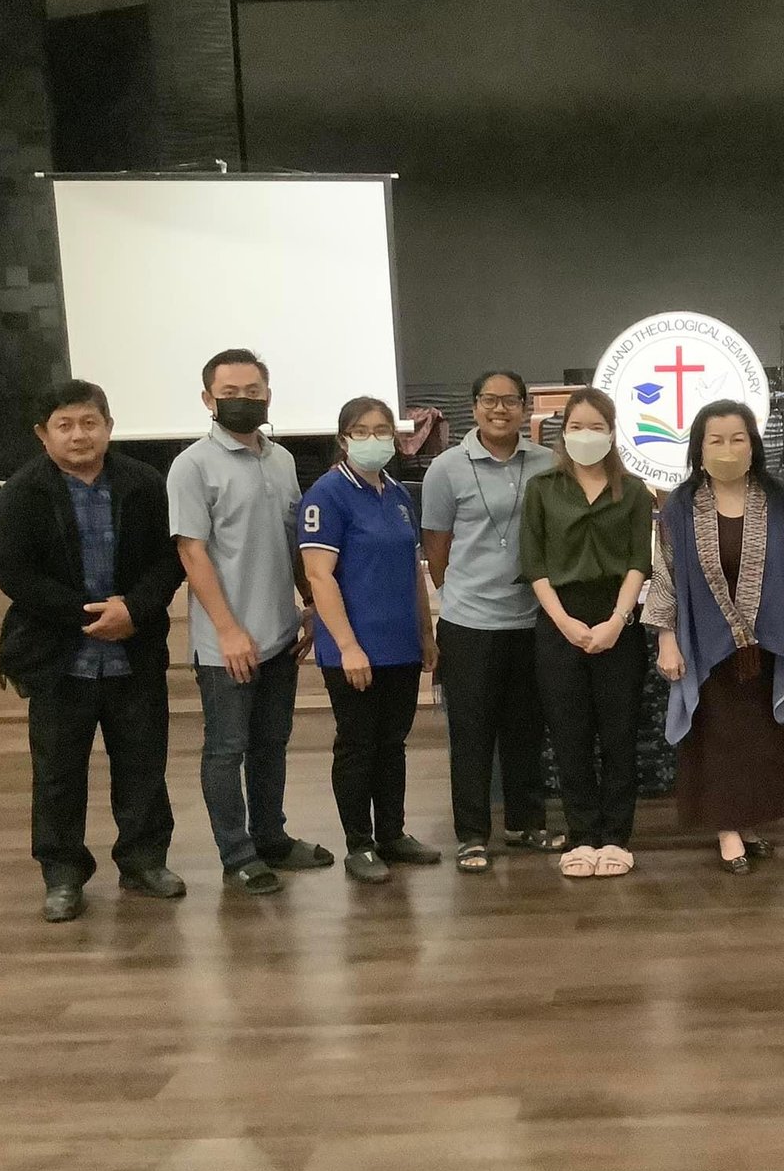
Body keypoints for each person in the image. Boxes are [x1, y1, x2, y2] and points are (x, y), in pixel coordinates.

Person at [0, 381, 185, 922]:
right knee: (57, 774)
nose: (79, 435)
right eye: (65, 425)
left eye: (89, 422)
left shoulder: (145, 484)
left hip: (134, 653)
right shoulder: (23, 491)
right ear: (43, 434)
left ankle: (144, 862)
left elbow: (170, 559)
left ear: (109, 427)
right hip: (58, 659)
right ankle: (62, 874)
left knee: (143, 766)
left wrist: (133, 610)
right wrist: (90, 616)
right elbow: (13, 571)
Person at [644, 400, 784, 873]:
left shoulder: (779, 501)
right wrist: (667, 639)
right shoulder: (679, 507)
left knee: (761, 739)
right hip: (706, 644)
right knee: (717, 738)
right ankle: (726, 829)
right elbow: (665, 574)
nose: (728, 449)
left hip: (768, 643)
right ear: (699, 448)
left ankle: (749, 822)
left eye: (738, 439)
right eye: (716, 440)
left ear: (753, 445)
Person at [168, 348, 334, 895]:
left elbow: (294, 541)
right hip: (226, 644)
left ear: (268, 395)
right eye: (230, 393)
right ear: (208, 399)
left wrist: (310, 603)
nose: (244, 400)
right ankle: (237, 853)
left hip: (280, 634)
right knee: (226, 749)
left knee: (271, 744)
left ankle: (271, 838)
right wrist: (228, 630)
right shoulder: (192, 465)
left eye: (253, 392)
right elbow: (192, 553)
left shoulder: (281, 460)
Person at [421, 370, 563, 876]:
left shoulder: (547, 462)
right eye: (489, 400)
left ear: (525, 408)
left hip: (532, 620)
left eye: (510, 401)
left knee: (526, 730)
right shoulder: (446, 468)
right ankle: (471, 834)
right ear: (475, 406)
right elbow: (436, 547)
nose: (499, 409)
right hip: (469, 625)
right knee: (472, 735)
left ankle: (526, 824)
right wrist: (461, 593)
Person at [299, 397, 442, 883]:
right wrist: (347, 645)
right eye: (361, 431)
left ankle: (392, 834)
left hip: (400, 644)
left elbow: (412, 570)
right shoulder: (327, 494)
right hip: (354, 649)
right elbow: (319, 576)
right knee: (358, 746)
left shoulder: (398, 494)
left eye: (382, 430)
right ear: (343, 439)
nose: (373, 439)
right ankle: (359, 844)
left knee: (392, 743)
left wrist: (425, 633)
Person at [518, 388, 653, 879]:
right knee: (569, 736)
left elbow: (640, 561)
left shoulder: (633, 491)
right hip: (560, 620)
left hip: (619, 620)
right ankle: (581, 836)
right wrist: (564, 622)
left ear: (612, 433)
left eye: (596, 426)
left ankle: (616, 836)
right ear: (563, 433)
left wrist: (617, 620)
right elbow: (533, 563)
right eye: (576, 426)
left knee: (619, 735)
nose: (586, 435)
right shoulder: (542, 489)